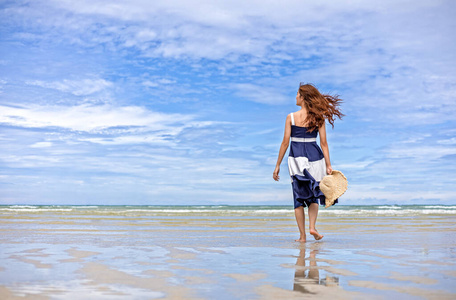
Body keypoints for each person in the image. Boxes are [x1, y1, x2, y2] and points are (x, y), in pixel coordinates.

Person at [273, 83, 344, 242]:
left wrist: (277, 165)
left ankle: (303, 236)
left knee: (298, 197)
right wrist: (328, 164)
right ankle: (312, 227)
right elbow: (324, 143)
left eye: (298, 94)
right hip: (315, 157)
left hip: (296, 158)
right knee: (313, 195)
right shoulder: (318, 118)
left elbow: (285, 143)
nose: (296, 97)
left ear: (303, 97)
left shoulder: (291, 117)